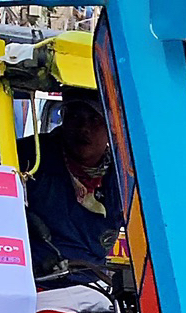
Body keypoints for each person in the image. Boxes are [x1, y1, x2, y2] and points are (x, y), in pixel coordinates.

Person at [24, 92, 122, 280]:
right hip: (40, 282)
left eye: (94, 119)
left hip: (95, 285)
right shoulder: (32, 157)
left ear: (111, 127)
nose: (84, 128)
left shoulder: (123, 173)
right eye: (75, 117)